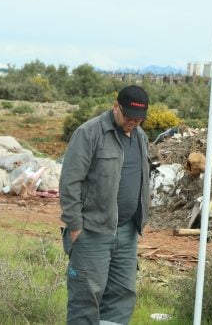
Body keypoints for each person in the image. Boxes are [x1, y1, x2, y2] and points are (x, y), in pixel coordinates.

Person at [59, 85, 151, 325]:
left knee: (122, 296)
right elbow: (70, 181)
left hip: (127, 232)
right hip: (92, 231)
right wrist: (75, 226)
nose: (133, 123)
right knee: (86, 299)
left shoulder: (141, 137)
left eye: (139, 119)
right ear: (116, 106)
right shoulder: (89, 133)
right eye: (129, 117)